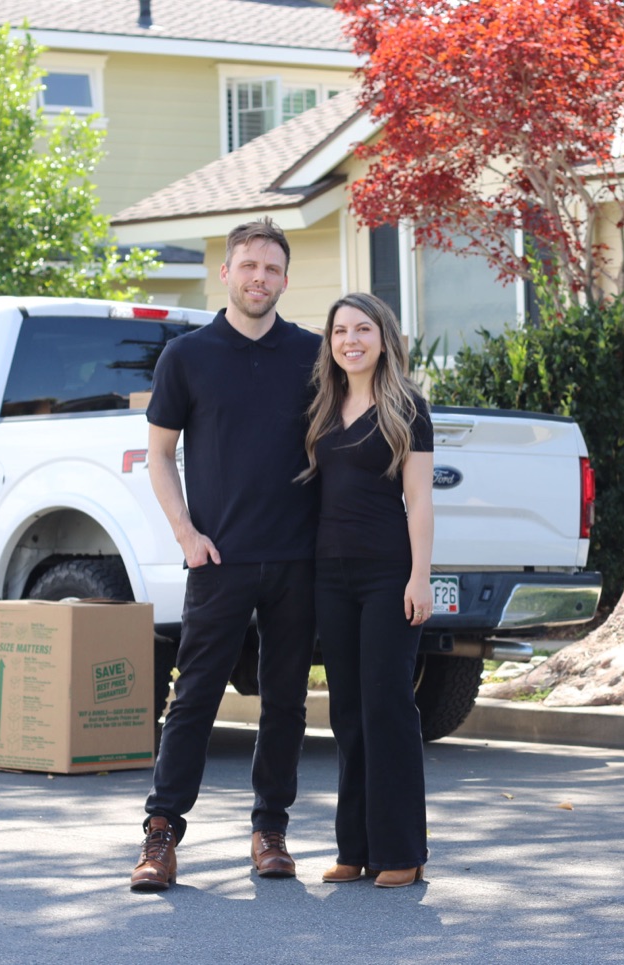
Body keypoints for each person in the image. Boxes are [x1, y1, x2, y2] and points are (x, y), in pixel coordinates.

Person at [130, 217, 321, 892]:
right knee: (194, 697)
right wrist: (186, 534)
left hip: (298, 559)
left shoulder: (313, 354)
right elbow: (158, 454)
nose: (259, 278)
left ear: (285, 279)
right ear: (226, 272)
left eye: (271, 268)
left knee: (287, 702)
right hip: (219, 558)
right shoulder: (188, 356)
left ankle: (270, 829)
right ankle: (160, 833)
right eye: (248, 266)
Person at [297, 291, 434, 888]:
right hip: (331, 576)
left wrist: (420, 576)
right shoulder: (322, 408)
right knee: (347, 714)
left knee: (388, 709)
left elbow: (421, 500)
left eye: (362, 330)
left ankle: (401, 850)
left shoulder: (408, 408)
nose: (350, 340)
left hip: (387, 575)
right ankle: (354, 847)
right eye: (339, 332)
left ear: (384, 338)